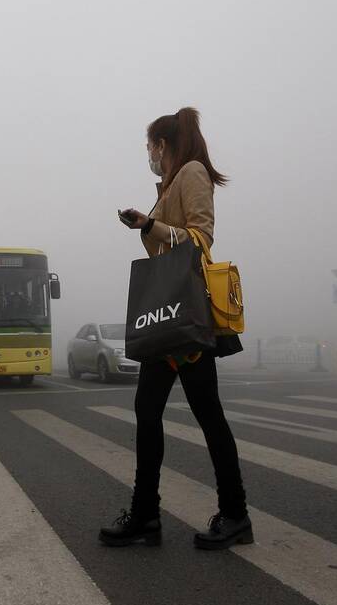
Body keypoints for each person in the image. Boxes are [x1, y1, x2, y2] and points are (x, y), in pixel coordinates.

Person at [101, 107, 252, 550]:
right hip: (166, 321)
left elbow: (202, 238)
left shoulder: (191, 173)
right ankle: (146, 516)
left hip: (187, 320)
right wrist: (148, 220)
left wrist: (149, 224)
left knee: (208, 416)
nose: (147, 154)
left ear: (162, 145)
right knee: (147, 413)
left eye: (149, 146)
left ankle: (236, 514)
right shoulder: (166, 185)